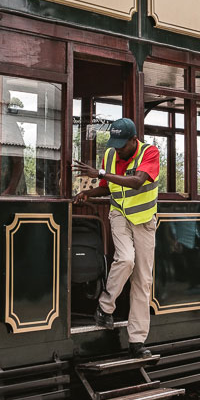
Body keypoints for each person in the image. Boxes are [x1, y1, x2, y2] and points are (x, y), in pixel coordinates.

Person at [73, 118, 160, 358]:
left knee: (143, 281)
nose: (118, 149)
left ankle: (137, 340)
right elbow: (107, 187)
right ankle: (105, 306)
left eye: (123, 144)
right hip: (119, 214)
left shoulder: (150, 153)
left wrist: (101, 173)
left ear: (134, 140)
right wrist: (88, 192)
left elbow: (137, 182)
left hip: (144, 221)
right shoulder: (111, 155)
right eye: (115, 144)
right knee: (125, 259)